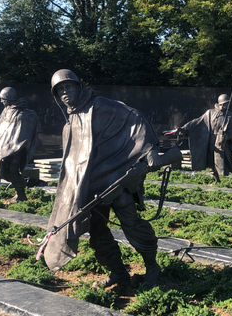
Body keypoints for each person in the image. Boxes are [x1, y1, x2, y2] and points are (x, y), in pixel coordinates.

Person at [43, 69, 162, 290]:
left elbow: (134, 116)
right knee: (97, 234)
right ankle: (118, 274)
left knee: (132, 226)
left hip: (116, 180)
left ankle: (152, 267)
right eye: (60, 89)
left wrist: (149, 149)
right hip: (91, 186)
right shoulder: (70, 121)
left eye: (69, 86)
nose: (65, 92)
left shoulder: (99, 106)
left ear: (79, 86)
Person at [168, 94, 232, 184]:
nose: (228, 105)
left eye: (228, 103)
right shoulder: (210, 113)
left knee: (228, 162)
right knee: (211, 163)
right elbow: (197, 121)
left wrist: (225, 137)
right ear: (221, 104)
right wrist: (184, 128)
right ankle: (216, 179)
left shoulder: (230, 116)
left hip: (223, 143)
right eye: (226, 103)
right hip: (210, 141)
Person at [0, 87, 39, 203]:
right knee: (4, 172)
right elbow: (0, 128)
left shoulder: (25, 115)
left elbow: (25, 134)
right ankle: (20, 188)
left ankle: (21, 195)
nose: (1, 101)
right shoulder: (6, 111)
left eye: (3, 99)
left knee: (13, 169)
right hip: (4, 148)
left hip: (17, 149)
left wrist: (15, 147)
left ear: (8, 99)